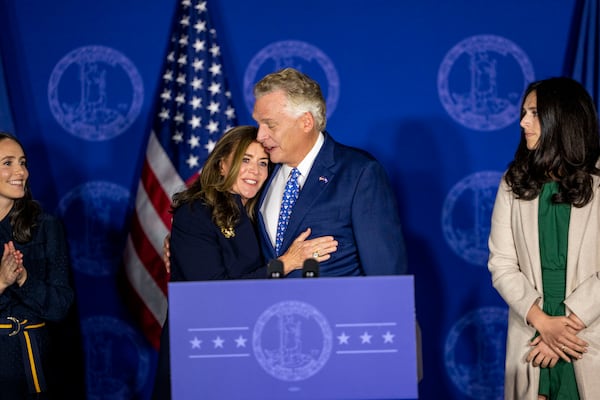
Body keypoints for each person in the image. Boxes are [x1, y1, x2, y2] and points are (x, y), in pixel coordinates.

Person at [152, 125, 338, 399]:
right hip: (201, 349)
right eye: (245, 160)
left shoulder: (257, 212)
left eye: (263, 163)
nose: (255, 171)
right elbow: (212, 293)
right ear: (222, 165)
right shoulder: (196, 213)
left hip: (244, 345)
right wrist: (287, 263)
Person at [487, 77, 600, 399]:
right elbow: (502, 263)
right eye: (524, 112)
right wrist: (542, 323)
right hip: (531, 330)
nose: (522, 122)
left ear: (563, 119)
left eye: (534, 113)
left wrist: (562, 329)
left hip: (588, 333)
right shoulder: (514, 181)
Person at [252, 67, 407, 277]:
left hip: (339, 310)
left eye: (270, 125)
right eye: (258, 124)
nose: (260, 136)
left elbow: (385, 273)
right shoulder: (262, 173)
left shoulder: (358, 174)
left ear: (306, 122)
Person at [0, 132, 75, 399]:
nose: (20, 171)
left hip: (32, 368)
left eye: (22, 162)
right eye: (7, 162)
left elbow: (61, 306)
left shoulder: (45, 226)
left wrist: (23, 280)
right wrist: (1, 282)